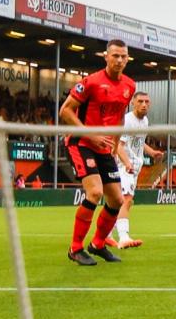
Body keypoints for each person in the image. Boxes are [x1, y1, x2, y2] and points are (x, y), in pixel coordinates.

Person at [59, 40, 135, 266]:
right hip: (81, 143)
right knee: (94, 193)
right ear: (106, 57)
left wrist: (116, 142)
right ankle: (75, 248)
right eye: (115, 56)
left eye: (123, 56)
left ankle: (98, 244)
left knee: (117, 199)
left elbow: (120, 116)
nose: (119, 60)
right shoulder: (90, 82)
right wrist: (90, 134)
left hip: (103, 148)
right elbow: (66, 111)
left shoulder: (129, 86)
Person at [112, 92, 165, 248]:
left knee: (123, 202)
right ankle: (123, 236)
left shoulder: (145, 121)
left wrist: (152, 152)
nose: (144, 104)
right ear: (133, 103)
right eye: (140, 101)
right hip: (123, 166)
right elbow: (118, 146)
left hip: (134, 167)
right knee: (126, 199)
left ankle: (107, 233)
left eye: (147, 102)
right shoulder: (127, 121)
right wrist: (127, 163)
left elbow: (139, 142)